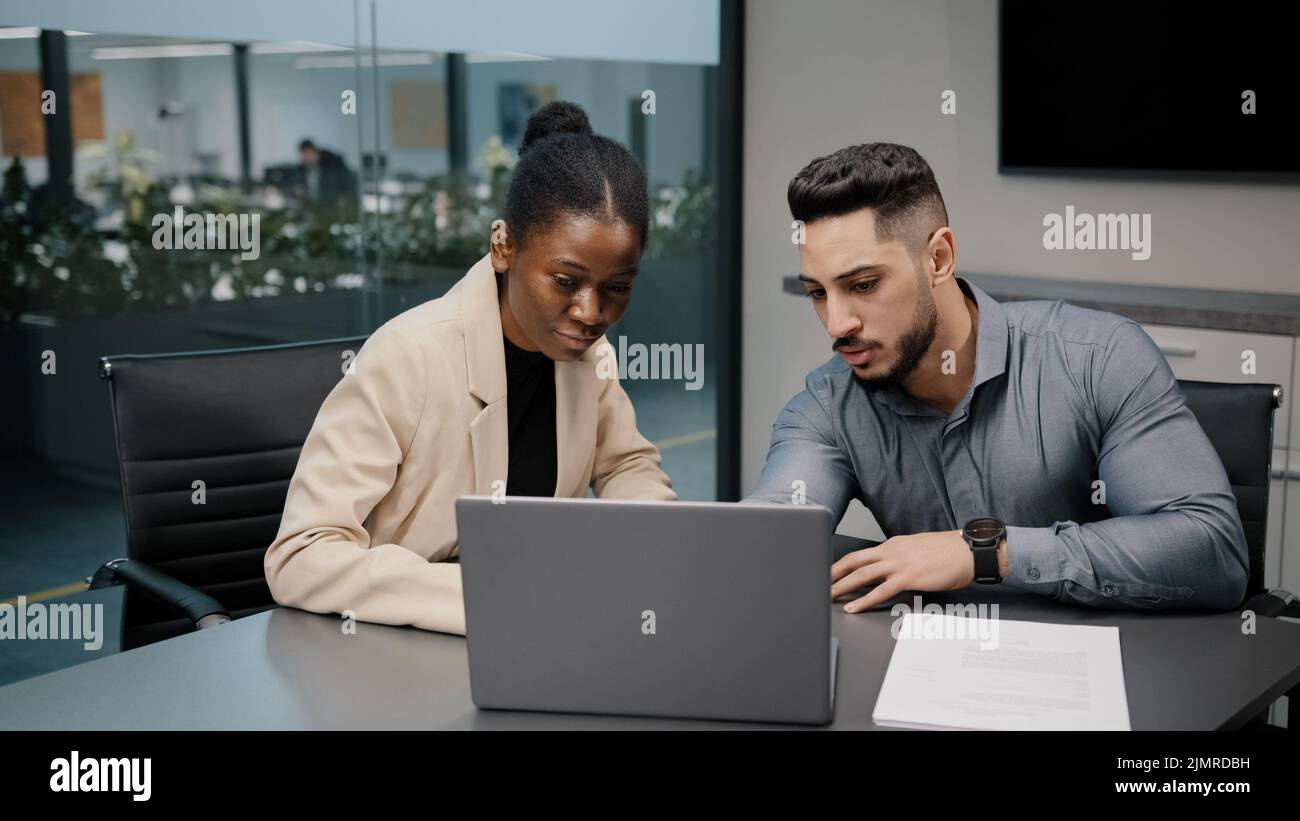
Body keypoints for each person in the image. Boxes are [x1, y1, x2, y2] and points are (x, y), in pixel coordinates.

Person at [747, 142, 1247, 612]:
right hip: (929, 679)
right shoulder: (825, 406)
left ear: (938, 258)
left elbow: (1212, 552)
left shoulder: (1099, 357)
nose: (838, 324)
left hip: (1106, 674)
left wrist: (985, 553)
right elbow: (773, 534)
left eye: (863, 284)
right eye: (817, 292)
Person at [266, 102, 675, 634]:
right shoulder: (408, 355)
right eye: (566, 281)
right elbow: (301, 554)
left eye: (617, 288)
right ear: (503, 247)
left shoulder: (587, 354)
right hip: (408, 647)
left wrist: (646, 545)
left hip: (542, 633)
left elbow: (624, 466)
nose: (591, 313)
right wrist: (491, 595)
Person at [297, 138, 355, 205]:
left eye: (307, 154)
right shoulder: (302, 169)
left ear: (314, 152)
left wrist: (345, 201)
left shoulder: (334, 164)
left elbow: (349, 184)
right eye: (303, 155)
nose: (305, 157)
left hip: (333, 207)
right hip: (312, 207)